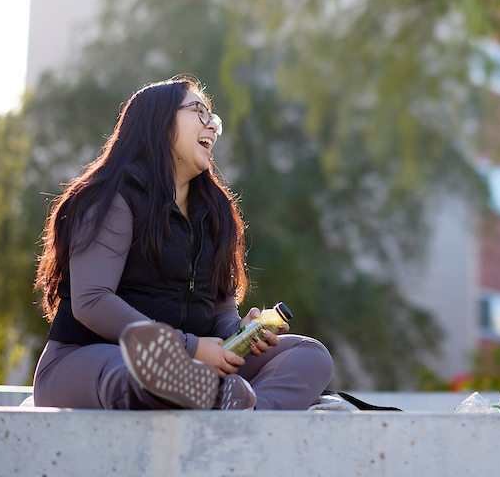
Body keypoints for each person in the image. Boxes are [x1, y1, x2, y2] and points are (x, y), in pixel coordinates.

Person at [32, 77, 334, 410]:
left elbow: (220, 312)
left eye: (213, 120)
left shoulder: (215, 214)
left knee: (309, 355)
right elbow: (92, 300)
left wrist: (241, 333)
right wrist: (188, 347)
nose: (212, 127)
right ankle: (196, 389)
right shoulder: (111, 197)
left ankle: (245, 410)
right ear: (159, 122)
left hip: (191, 365)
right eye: (199, 112)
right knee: (140, 370)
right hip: (86, 361)